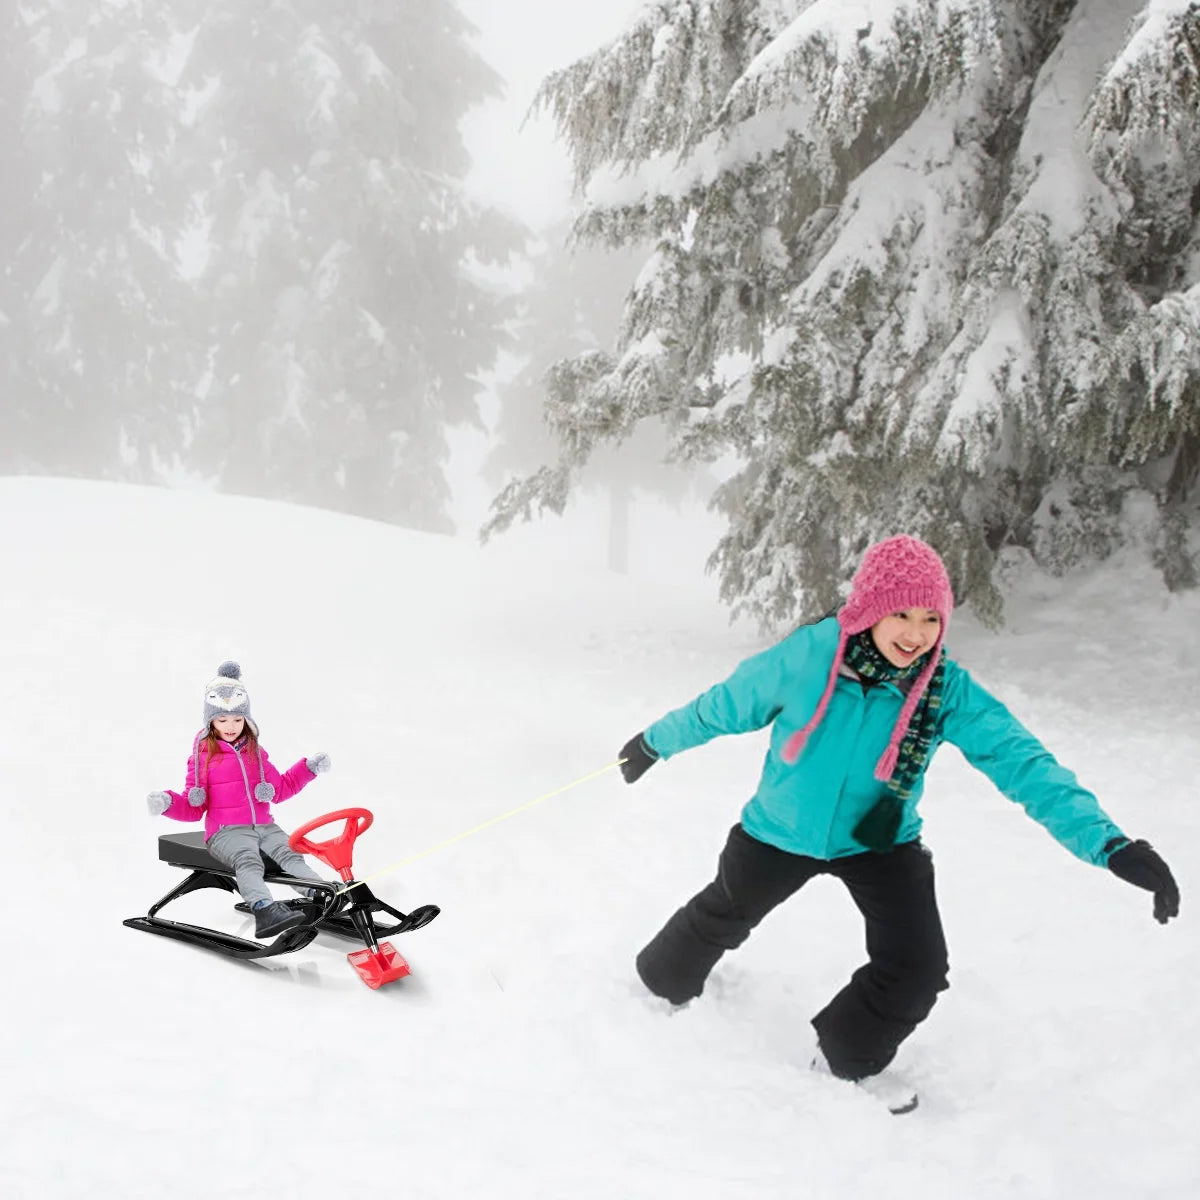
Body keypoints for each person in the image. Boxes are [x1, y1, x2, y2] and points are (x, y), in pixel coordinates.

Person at [618, 535, 1179, 1113]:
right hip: (778, 832)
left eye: (931, 617)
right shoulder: (809, 658)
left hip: (880, 843)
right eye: (902, 614)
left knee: (918, 967)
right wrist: (653, 743)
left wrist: (1110, 845)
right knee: (722, 913)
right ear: (869, 608)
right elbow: (724, 704)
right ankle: (658, 985)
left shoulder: (945, 690)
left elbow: (1025, 765)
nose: (916, 633)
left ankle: (846, 1056)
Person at [147, 660, 335, 939]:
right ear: (211, 721)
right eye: (222, 720)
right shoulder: (202, 757)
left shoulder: (256, 753)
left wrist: (307, 769)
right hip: (225, 832)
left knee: (290, 853)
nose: (231, 726)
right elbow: (192, 806)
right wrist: (167, 802)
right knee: (249, 860)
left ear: (247, 719)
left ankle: (324, 894)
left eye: (237, 719)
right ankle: (264, 910)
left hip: (264, 826)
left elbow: (281, 788)